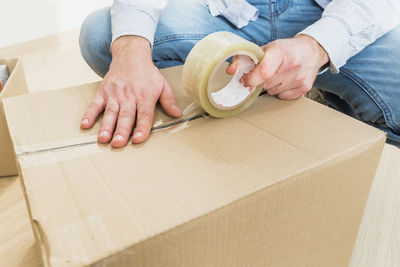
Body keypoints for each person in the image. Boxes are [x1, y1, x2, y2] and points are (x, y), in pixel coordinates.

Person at [79, 0, 400, 148]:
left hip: (330, 10)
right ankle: (263, 77)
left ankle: (315, 85)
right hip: (225, 12)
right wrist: (131, 51)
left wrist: (319, 46)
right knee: (102, 35)